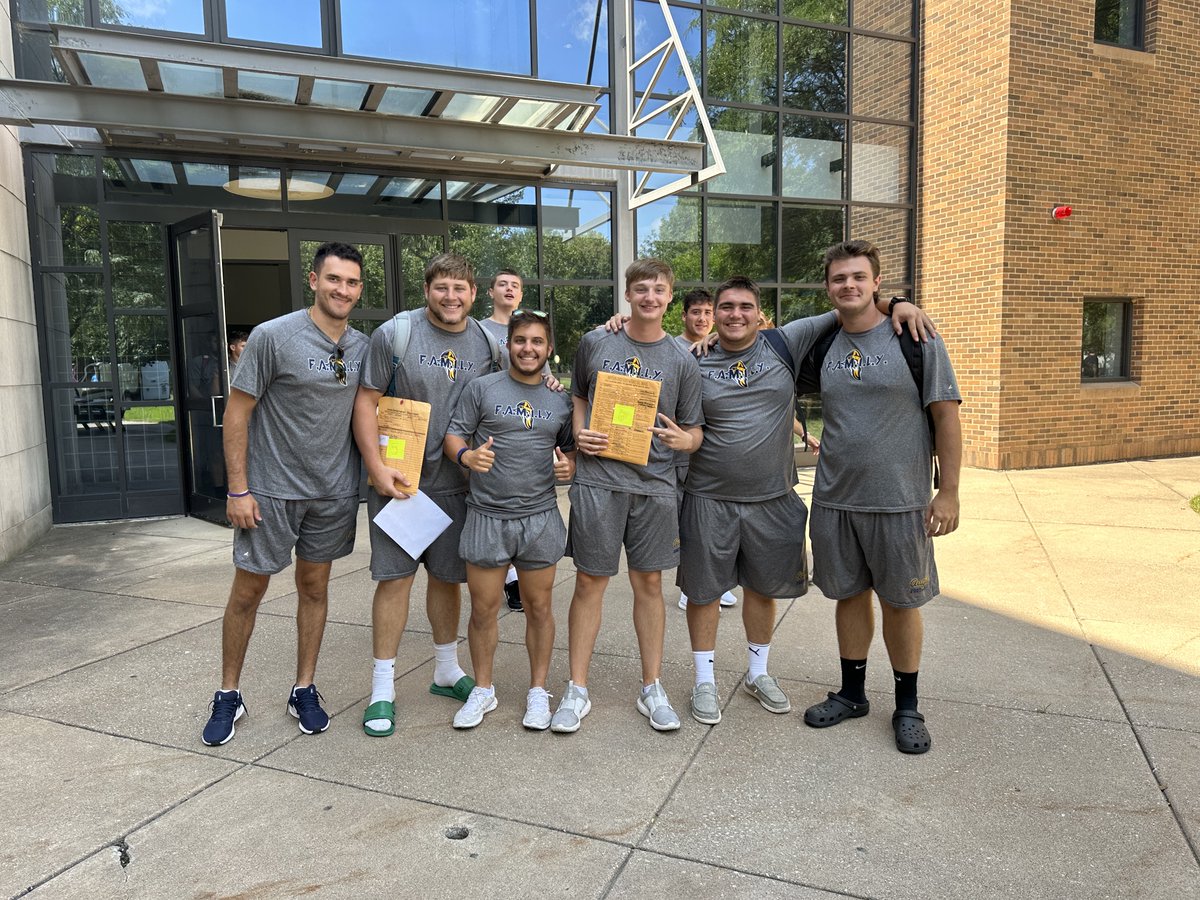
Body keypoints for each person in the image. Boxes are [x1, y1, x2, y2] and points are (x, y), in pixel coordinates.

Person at [682, 276, 934, 726]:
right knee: (703, 593)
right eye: (725, 307)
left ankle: (758, 674)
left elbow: (848, 307)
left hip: (773, 499)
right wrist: (616, 325)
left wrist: (897, 303)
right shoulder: (691, 360)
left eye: (744, 307)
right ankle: (705, 681)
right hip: (708, 498)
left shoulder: (785, 342)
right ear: (713, 313)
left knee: (762, 589)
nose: (734, 315)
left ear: (759, 314)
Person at [200, 242, 368, 746]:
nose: (343, 290)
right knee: (248, 593)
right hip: (270, 493)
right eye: (334, 279)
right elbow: (238, 412)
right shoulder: (274, 337)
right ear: (314, 281)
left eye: (353, 282)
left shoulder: (362, 346)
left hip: (333, 495)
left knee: (315, 589)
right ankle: (228, 693)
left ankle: (304, 687)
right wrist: (237, 488)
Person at [802, 239, 962, 754]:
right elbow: (750, 350)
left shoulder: (916, 338)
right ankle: (852, 695)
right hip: (835, 500)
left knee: (900, 602)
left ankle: (908, 706)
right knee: (849, 596)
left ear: (876, 282)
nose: (848, 286)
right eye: (838, 279)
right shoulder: (821, 342)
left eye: (858, 277)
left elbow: (947, 417)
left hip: (899, 501)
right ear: (828, 287)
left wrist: (949, 492)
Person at [550, 258, 704, 734]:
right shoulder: (599, 341)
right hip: (598, 483)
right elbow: (578, 394)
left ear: (669, 297)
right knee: (589, 584)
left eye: (659, 290)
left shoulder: (682, 360)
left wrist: (686, 442)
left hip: (655, 487)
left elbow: (694, 429)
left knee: (650, 586)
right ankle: (577, 689)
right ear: (628, 294)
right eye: (641, 289)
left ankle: (651, 685)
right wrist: (579, 430)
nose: (650, 297)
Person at [353, 253, 501, 738]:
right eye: (442, 287)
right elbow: (366, 400)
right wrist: (376, 469)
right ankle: (382, 689)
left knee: (447, 579)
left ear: (474, 293)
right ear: (426, 290)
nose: (451, 297)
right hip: (401, 481)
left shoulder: (488, 342)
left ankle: (445, 670)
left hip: (459, 484)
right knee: (395, 580)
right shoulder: (395, 334)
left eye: (460, 288)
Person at [443, 310, 576, 730]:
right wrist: (467, 456)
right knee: (483, 610)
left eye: (538, 341)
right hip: (487, 518)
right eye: (521, 340)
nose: (528, 348)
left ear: (549, 349)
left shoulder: (560, 399)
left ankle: (538, 691)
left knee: (539, 608)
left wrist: (568, 468)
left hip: (539, 518)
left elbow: (571, 450)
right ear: (508, 344)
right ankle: (484, 689)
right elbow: (453, 436)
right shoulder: (481, 388)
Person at [674, 288, 738, 611]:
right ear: (683, 315)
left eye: (707, 313)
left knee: (713, 522)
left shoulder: (719, 348)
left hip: (713, 449)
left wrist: (801, 432)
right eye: (695, 312)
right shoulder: (673, 348)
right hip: (680, 450)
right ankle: (690, 586)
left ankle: (717, 582)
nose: (702, 318)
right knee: (688, 521)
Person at [480, 269, 532, 613]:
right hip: (489, 425)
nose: (509, 289)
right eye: (503, 284)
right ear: (490, 292)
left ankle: (517, 575)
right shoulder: (478, 330)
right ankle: (507, 576)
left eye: (515, 285)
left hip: (523, 428)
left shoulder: (529, 327)